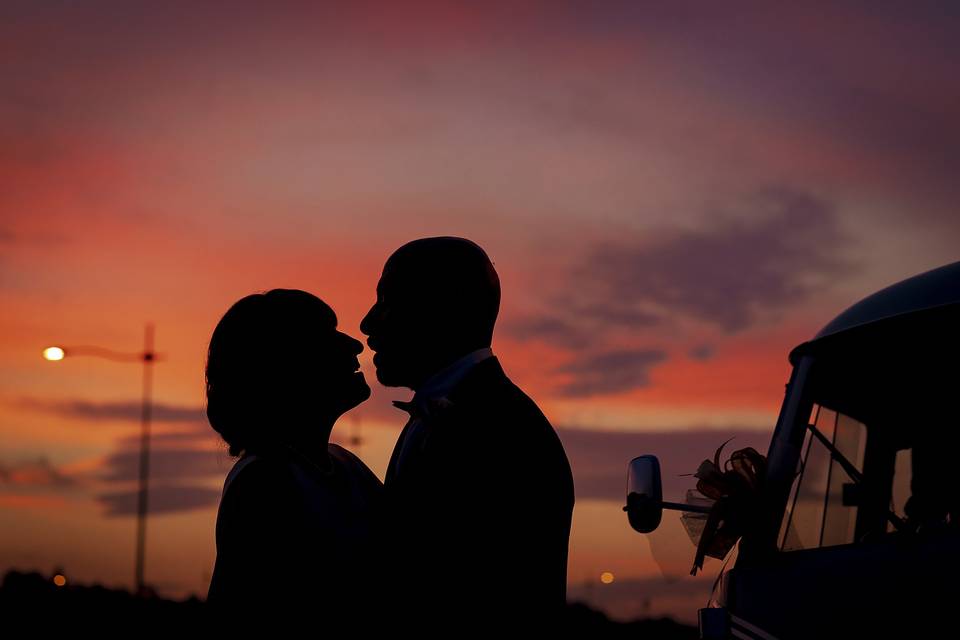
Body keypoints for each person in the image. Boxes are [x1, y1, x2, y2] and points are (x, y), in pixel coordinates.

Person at [360, 237, 575, 628]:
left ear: (443, 308)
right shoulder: (463, 414)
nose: (368, 324)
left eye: (388, 302)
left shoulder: (499, 429)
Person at [205, 289, 382, 618]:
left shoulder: (347, 467)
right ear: (286, 368)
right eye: (326, 337)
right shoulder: (262, 484)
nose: (354, 345)